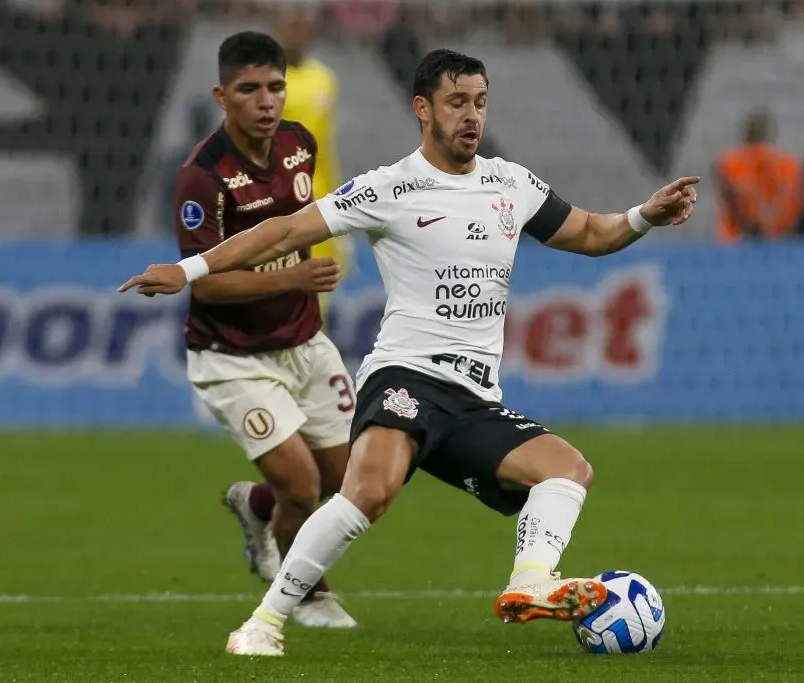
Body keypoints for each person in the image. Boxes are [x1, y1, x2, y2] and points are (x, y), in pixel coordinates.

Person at [121, 48, 699, 657]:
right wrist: (189, 269)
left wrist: (643, 216)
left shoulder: (511, 182)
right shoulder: (390, 187)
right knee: (369, 491)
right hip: (407, 376)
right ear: (423, 109)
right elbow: (287, 230)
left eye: (480, 102)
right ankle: (263, 624)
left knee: (568, 470)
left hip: (474, 397)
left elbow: (589, 232)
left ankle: (531, 582)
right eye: (457, 102)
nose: (471, 116)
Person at [169, 31, 357, 629]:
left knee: (347, 480)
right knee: (301, 486)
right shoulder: (202, 177)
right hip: (232, 356)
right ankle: (307, 593)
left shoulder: (299, 145)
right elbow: (206, 284)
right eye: (249, 89)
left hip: (304, 341)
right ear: (222, 97)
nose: (266, 100)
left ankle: (256, 506)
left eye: (275, 87)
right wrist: (294, 276)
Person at [271, 5, 352, 330]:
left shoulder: (325, 80)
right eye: (291, 18)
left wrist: (341, 213)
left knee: (315, 315)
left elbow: (326, 151)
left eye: (303, 19)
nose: (298, 27)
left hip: (317, 209)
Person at [713, 109, 804, 243]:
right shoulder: (789, 165)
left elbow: (733, 199)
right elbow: (792, 200)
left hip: (734, 240)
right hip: (778, 239)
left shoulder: (728, 163)